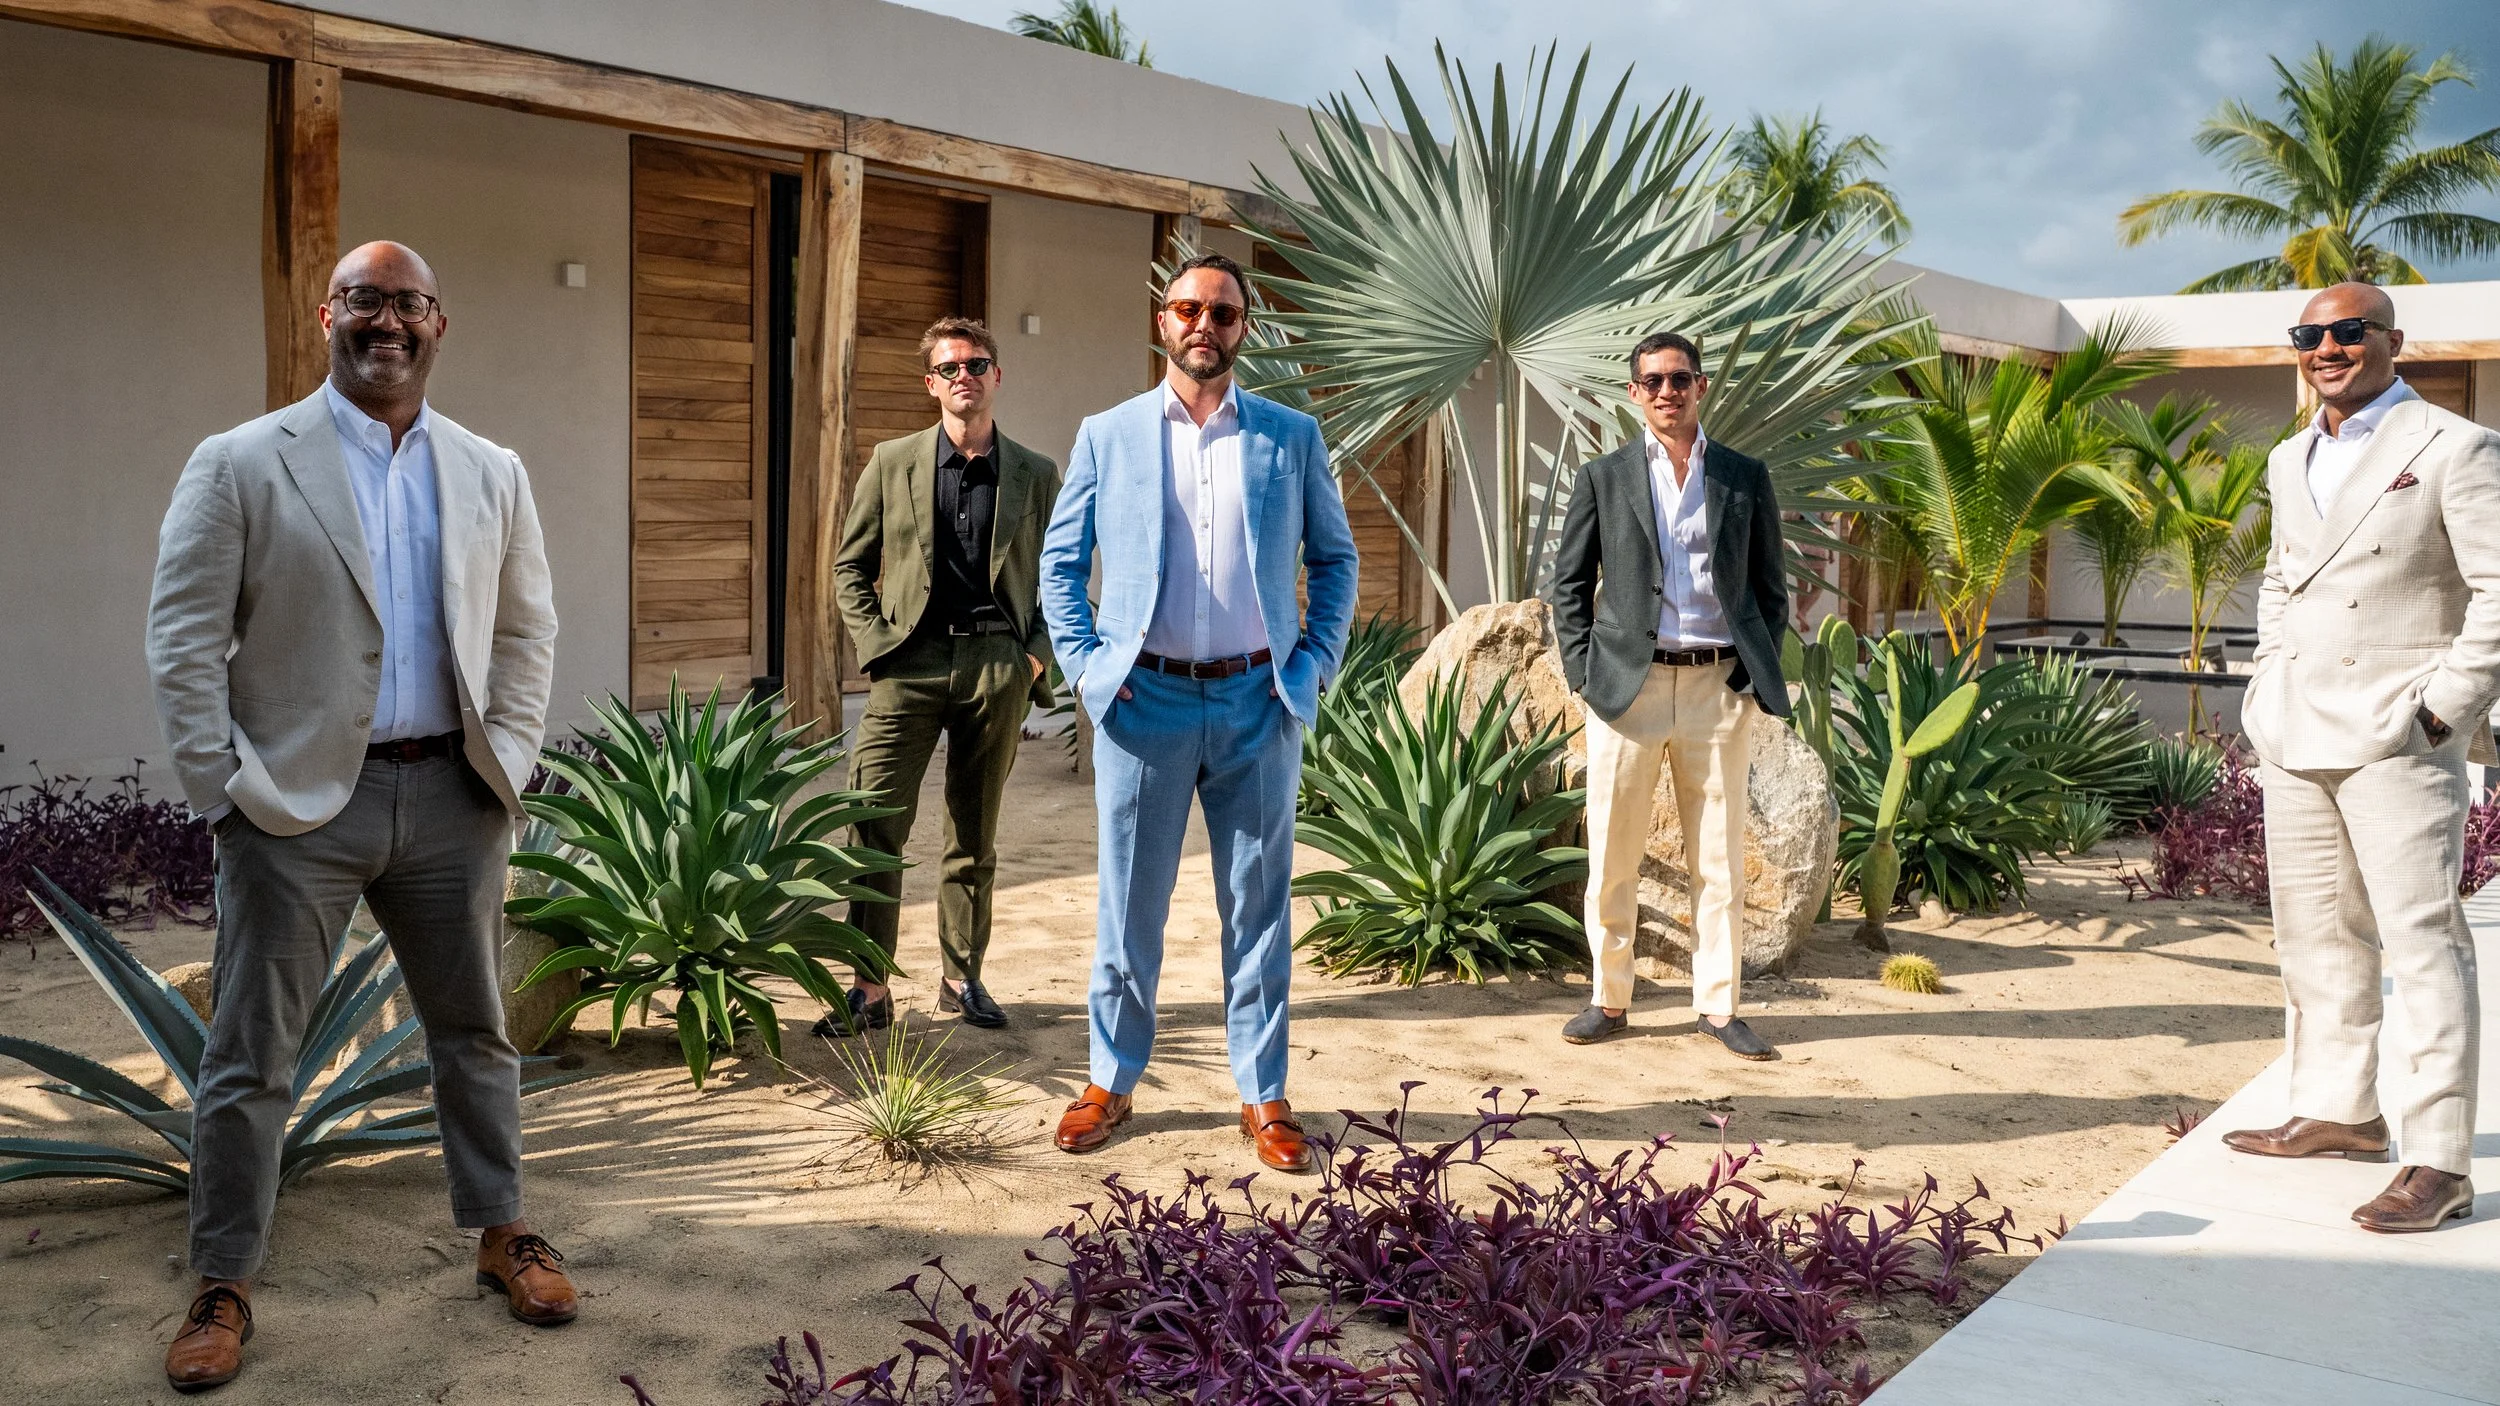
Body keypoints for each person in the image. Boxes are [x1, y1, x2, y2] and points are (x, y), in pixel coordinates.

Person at [145, 241, 568, 1389]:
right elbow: (183, 636)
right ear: (328, 314)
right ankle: (225, 1276)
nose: (389, 322)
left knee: (475, 1033)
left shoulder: (491, 468)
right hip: (294, 811)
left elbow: (527, 629)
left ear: (440, 323)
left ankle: (499, 1230)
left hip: (452, 796)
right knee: (249, 1056)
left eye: (411, 304)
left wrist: (511, 760)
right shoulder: (241, 460)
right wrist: (226, 789)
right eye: (367, 301)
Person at [1039, 252, 1358, 1172]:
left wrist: (1312, 666)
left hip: (1262, 699)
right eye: (1187, 309)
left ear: (1243, 327)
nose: (1202, 326)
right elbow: (1061, 566)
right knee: (1129, 906)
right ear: (1163, 320)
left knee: (1258, 909)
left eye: (1221, 312)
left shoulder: (1291, 437)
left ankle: (1262, 1094)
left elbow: (1336, 560)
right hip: (1146, 702)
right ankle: (1110, 1079)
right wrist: (1091, 670)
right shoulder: (1111, 433)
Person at [2222, 281, 2500, 1234]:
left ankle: (2439, 1160)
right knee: (2315, 933)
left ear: (2392, 340)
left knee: (2422, 944)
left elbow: (2499, 592)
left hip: (2397, 729)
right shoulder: (2287, 453)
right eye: (2310, 335)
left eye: (2349, 330)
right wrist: (2267, 680)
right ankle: (2340, 1112)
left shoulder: (2454, 445)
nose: (2328, 347)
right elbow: (2280, 580)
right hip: (2295, 724)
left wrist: (2442, 712)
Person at [1545, 331, 1790, 1060]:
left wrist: (1750, 673)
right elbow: (1567, 586)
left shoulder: (1745, 477)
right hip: (1629, 687)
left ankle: (1718, 1007)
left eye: (1679, 379)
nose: (1665, 392)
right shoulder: (1604, 477)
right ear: (1633, 392)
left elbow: (1773, 589)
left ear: (1701, 387)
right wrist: (1588, 676)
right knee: (1613, 856)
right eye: (1651, 381)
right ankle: (1608, 998)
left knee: (1718, 856)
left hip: (1718, 687)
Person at [821, 317, 1058, 1034]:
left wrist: (1034, 655)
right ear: (931, 384)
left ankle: (962, 978)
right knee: (873, 825)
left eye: (976, 364)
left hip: (997, 665)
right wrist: (879, 647)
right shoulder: (892, 462)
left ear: (996, 376)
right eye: (950, 368)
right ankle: (869, 989)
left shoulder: (1036, 473)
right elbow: (849, 567)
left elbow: (1061, 577)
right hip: (909, 665)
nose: (964, 377)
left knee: (973, 833)